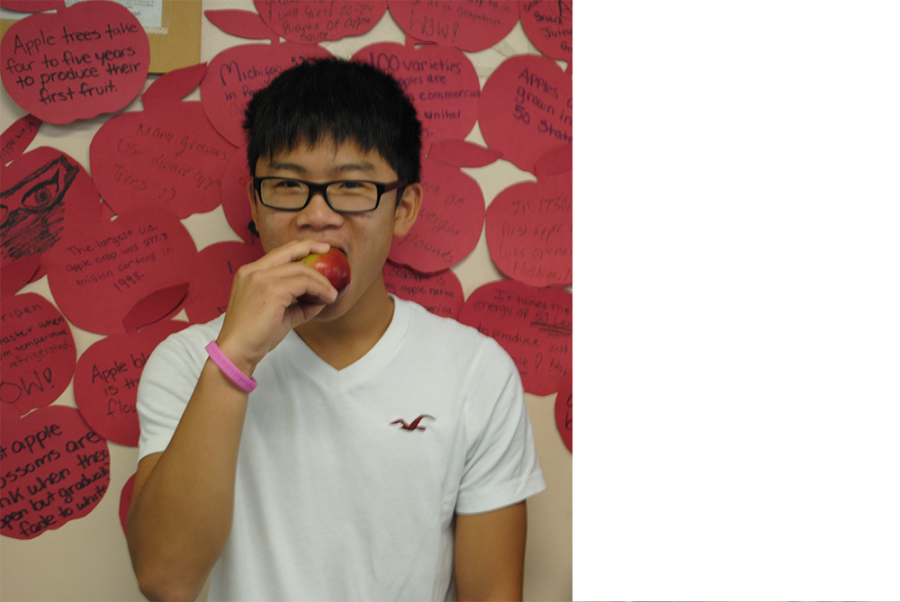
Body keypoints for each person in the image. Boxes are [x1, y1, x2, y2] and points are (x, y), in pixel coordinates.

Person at [126, 57, 546, 602]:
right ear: (255, 201)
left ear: (404, 208)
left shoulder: (475, 371)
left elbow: (492, 593)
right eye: (286, 185)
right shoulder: (188, 362)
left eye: (351, 187)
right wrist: (234, 359)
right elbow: (165, 579)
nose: (317, 216)